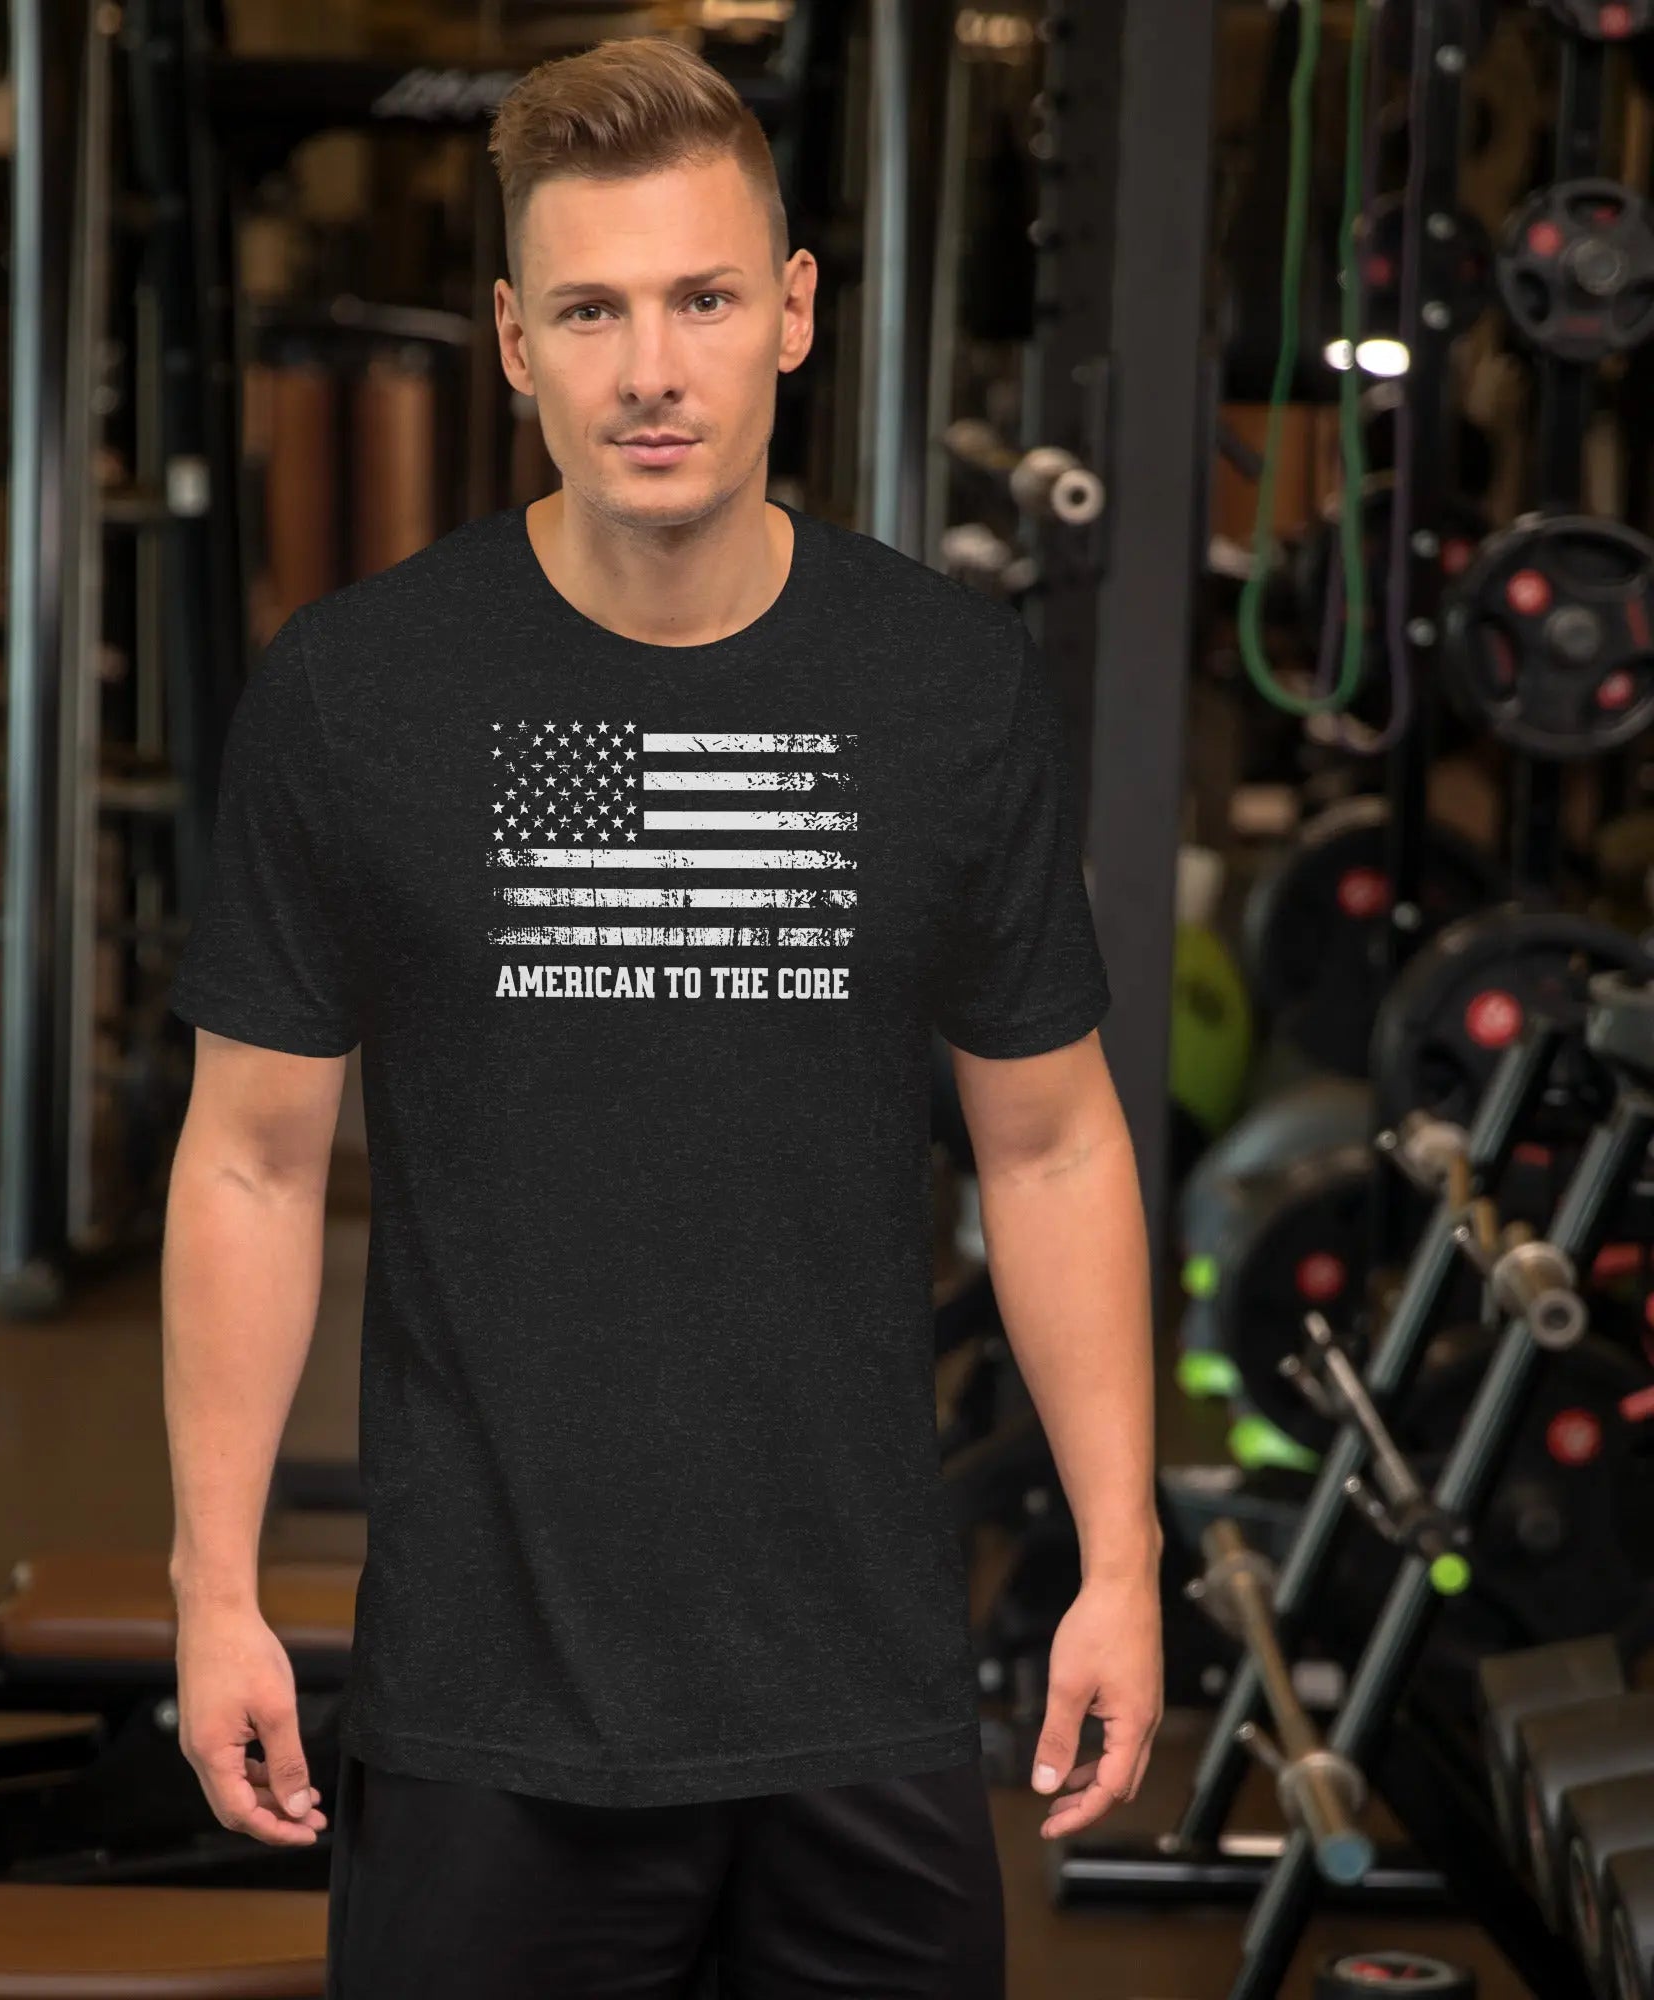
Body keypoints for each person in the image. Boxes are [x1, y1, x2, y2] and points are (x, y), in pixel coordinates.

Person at [161, 33, 1160, 2000]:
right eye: (594, 310)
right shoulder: (359, 698)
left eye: (702, 298)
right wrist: (213, 1588)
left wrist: (1117, 1565)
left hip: (860, 1691)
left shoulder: (947, 693)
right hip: (487, 1704)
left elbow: (1051, 1138)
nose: (650, 370)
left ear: (790, 315)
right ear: (514, 340)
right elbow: (252, 1160)